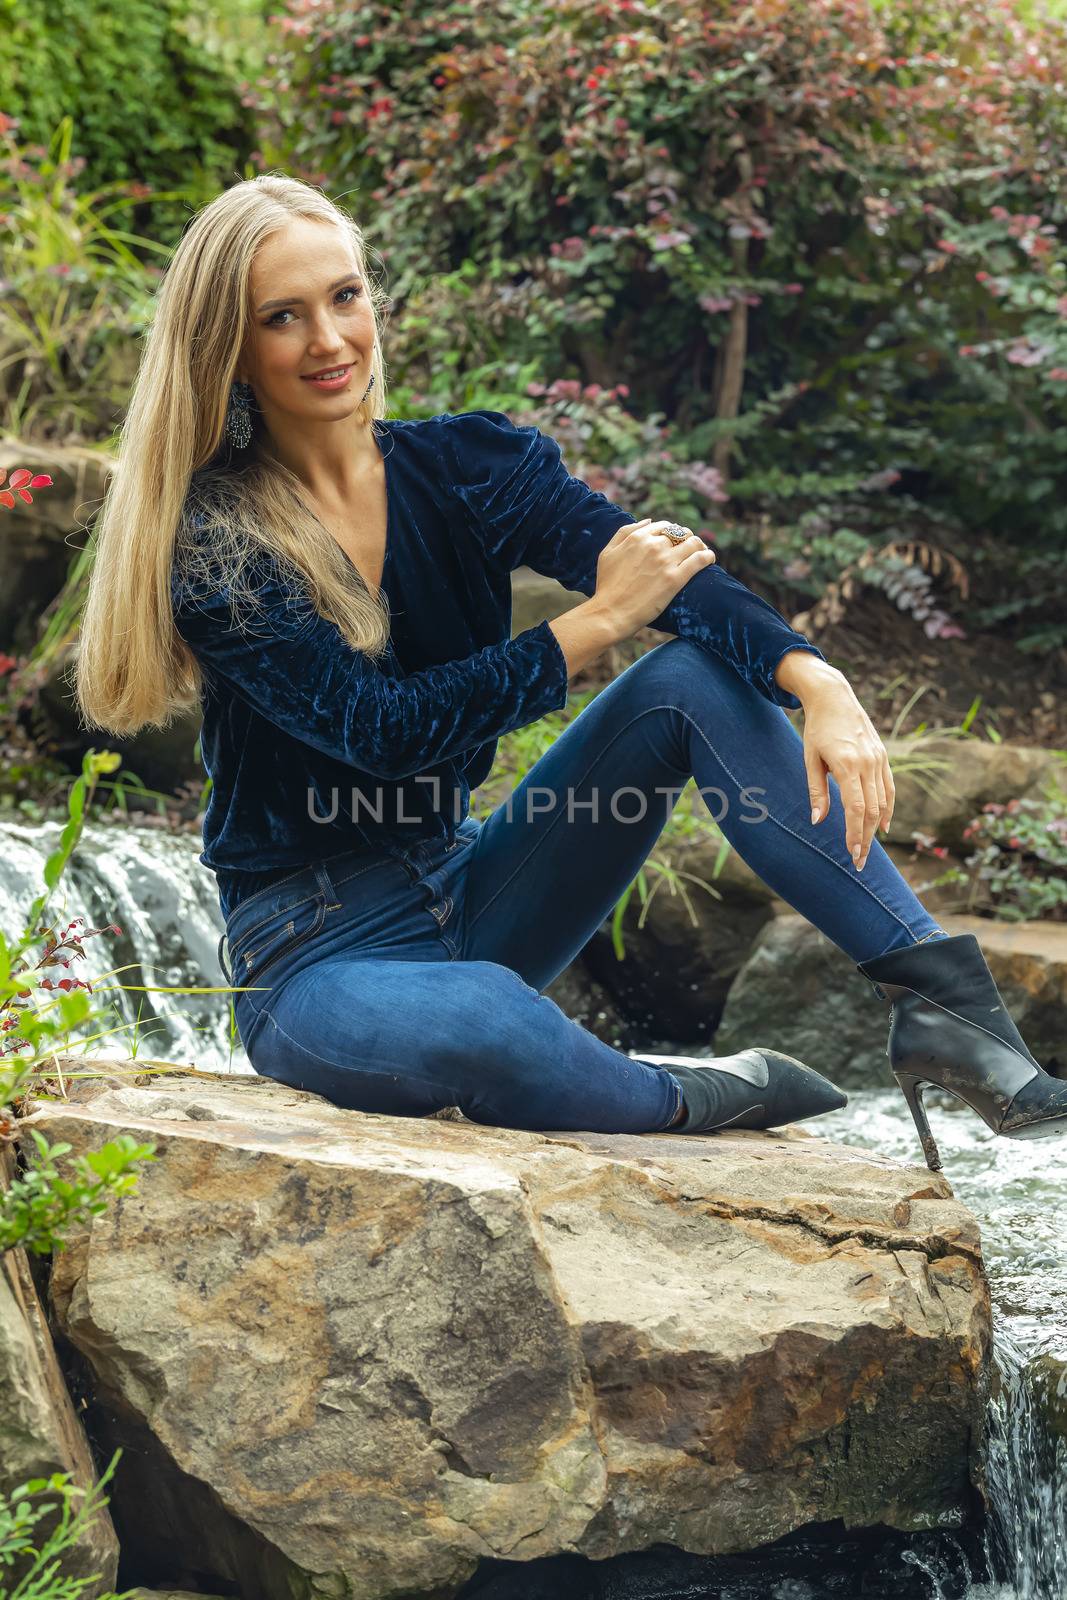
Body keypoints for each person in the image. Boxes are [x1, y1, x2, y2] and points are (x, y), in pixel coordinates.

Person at [75, 174, 1067, 1168]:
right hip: (313, 960)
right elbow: (380, 731)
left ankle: (948, 1012)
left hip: (472, 883)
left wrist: (815, 679)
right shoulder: (213, 541)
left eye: (345, 296)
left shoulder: (464, 464)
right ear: (231, 353)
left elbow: (658, 572)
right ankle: (698, 1089)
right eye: (282, 318)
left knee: (690, 682)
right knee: (489, 1017)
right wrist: (593, 623)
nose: (330, 339)